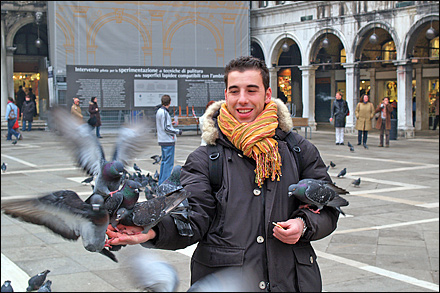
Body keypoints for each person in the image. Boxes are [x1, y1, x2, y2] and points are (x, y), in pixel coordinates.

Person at [106, 56, 339, 291]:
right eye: (235, 91)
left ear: (267, 95)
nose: (242, 100)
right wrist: (152, 229)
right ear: (226, 95)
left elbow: (328, 209)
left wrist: (303, 223)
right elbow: (193, 217)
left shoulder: (298, 150)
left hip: (290, 282)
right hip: (227, 280)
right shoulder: (206, 159)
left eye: (251, 90)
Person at [155, 94, 182, 185]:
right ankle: (165, 184)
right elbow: (166, 128)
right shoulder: (165, 112)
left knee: (164, 162)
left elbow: (164, 125)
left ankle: (161, 182)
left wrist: (171, 123)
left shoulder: (159, 111)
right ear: (170, 102)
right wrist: (178, 131)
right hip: (168, 140)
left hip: (162, 139)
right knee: (168, 164)